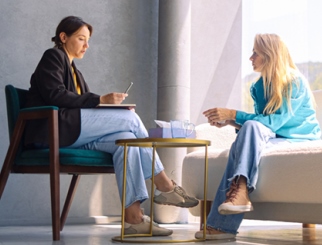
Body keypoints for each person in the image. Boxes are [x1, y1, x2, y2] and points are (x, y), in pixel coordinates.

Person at [24, 16, 199, 236]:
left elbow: (84, 106)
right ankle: (164, 184)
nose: (87, 45)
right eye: (81, 39)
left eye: (88, 40)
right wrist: (101, 100)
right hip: (55, 132)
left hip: (74, 134)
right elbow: (55, 95)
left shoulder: (76, 72)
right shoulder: (53, 56)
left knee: (128, 140)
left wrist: (104, 106)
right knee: (131, 120)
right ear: (63, 37)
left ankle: (134, 219)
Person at [195, 33, 321, 240]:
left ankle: (223, 222)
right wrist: (231, 122)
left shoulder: (294, 81)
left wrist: (234, 114)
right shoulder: (258, 86)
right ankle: (237, 198)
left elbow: (275, 122)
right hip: (275, 138)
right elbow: (261, 124)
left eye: (256, 53)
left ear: (270, 55)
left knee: (247, 133)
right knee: (247, 132)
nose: (251, 58)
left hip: (300, 139)